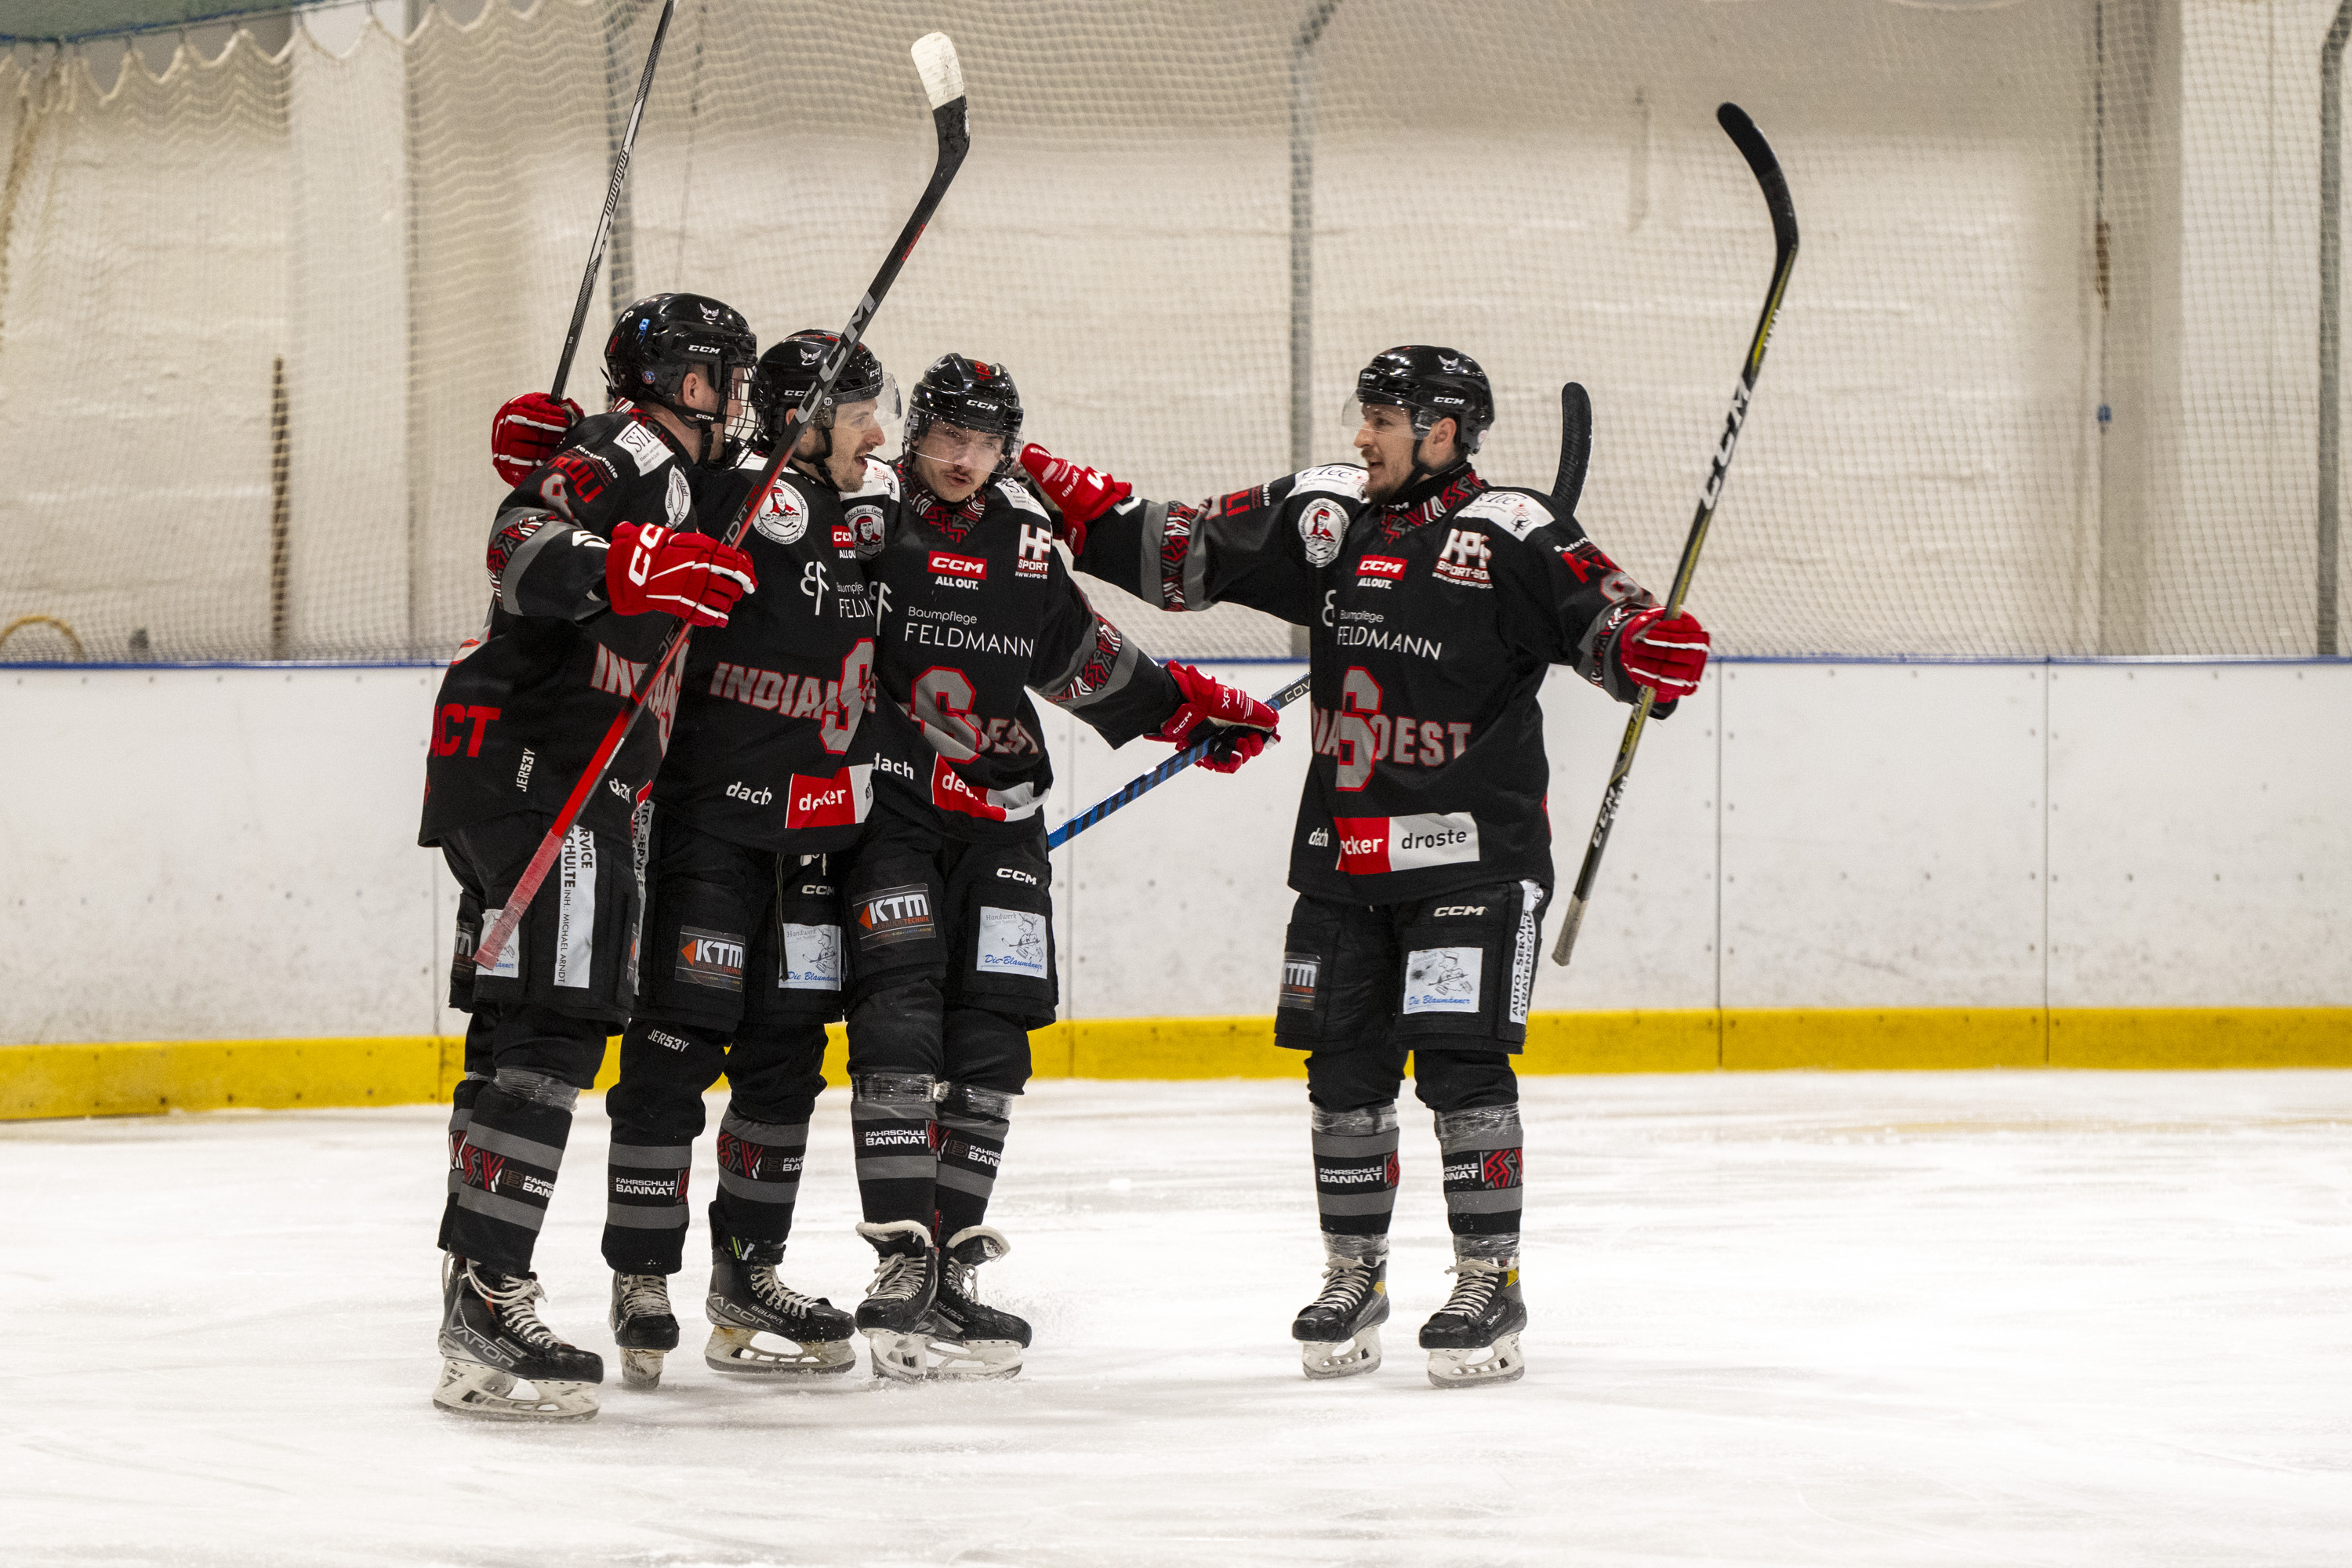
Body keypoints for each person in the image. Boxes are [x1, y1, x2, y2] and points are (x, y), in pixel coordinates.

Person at [1020, 346, 1711, 1389]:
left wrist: (1644, 648)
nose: (1361, 435)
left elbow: (1607, 620)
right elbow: (1182, 550)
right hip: (1344, 854)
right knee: (1343, 1076)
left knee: (1461, 1066)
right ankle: (1356, 1272)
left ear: (1441, 431)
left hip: (1473, 858)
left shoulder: (1515, 528)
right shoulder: (1326, 515)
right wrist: (1044, 480)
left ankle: (1490, 1277)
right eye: (1365, 416)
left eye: (1383, 419)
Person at [838, 353, 1279, 1381]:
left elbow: (1072, 654)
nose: (960, 459)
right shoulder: (864, 519)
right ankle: (899, 1258)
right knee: (901, 1014)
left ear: (1006, 447)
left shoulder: (1028, 535)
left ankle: (953, 1270)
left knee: (994, 1031)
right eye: (945, 437)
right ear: (916, 436)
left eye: (982, 443)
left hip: (1002, 812)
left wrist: (1181, 709)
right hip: (890, 807)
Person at [423, 292, 758, 1421]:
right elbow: (517, 541)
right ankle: (488, 1303)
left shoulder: (671, 468)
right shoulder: (630, 448)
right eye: (720, 377)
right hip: (544, 767)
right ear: (679, 382)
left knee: (521, 1027)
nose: (733, 399)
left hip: (541, 772)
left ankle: (476, 1286)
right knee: (554, 1032)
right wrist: (623, 567)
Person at [593, 329, 906, 1389]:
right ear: (802, 419)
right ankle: (642, 1274)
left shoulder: (870, 512)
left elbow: (977, 538)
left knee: (784, 1063)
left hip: (816, 849)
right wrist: (559, 457)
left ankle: (747, 1274)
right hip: (711, 832)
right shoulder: (725, 494)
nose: (880, 431)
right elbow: (618, 517)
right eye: (860, 408)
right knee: (677, 1048)